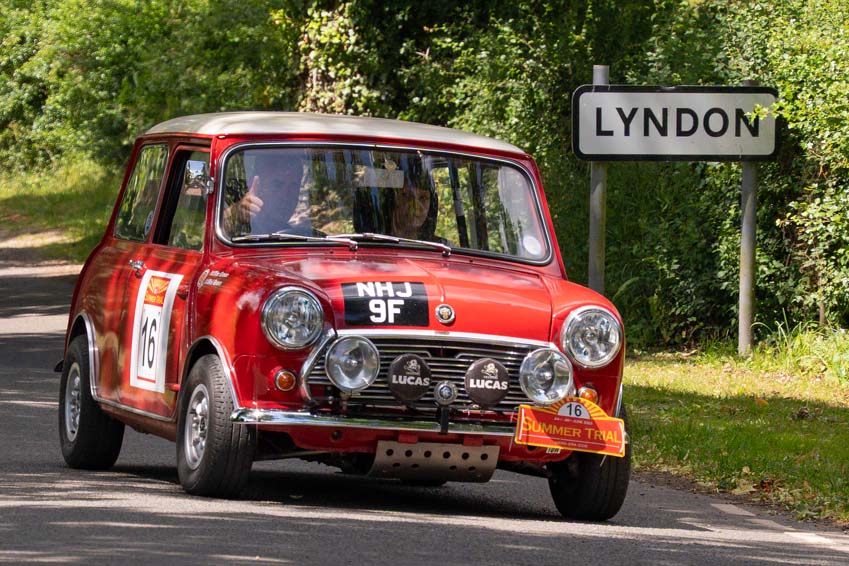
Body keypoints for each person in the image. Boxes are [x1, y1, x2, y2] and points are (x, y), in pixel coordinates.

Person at [222, 152, 306, 236]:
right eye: (277, 185)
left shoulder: (299, 237)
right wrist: (235, 214)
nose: (285, 195)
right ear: (257, 184)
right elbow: (211, 234)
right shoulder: (238, 229)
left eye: (293, 186)